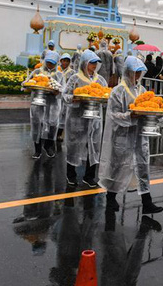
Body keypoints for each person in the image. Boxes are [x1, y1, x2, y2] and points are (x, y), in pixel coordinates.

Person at [98, 56, 163, 214]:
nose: (137, 76)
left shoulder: (142, 91)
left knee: (142, 166)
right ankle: (110, 197)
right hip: (122, 135)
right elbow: (113, 114)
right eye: (135, 73)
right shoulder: (118, 91)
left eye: (139, 73)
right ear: (127, 72)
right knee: (118, 166)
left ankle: (147, 202)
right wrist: (129, 116)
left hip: (139, 136)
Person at [63, 50, 108, 187]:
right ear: (84, 63)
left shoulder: (100, 80)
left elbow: (105, 95)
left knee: (93, 146)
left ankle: (89, 176)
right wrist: (74, 99)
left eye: (96, 63)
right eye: (92, 62)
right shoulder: (75, 78)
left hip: (94, 119)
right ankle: (71, 174)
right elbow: (66, 95)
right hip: (77, 119)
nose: (94, 65)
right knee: (74, 145)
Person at [23, 51, 64, 159]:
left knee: (52, 125)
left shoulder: (59, 75)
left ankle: (48, 146)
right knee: (37, 125)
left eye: (52, 63)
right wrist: (29, 86)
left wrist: (57, 92)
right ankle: (37, 149)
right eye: (48, 62)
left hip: (53, 105)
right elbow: (26, 84)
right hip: (38, 104)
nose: (50, 65)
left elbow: (62, 91)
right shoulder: (37, 72)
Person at [57, 53, 75, 142]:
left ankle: (59, 133)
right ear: (61, 61)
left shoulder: (72, 72)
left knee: (64, 114)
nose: (65, 63)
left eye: (67, 61)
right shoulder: (57, 70)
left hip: (65, 96)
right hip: (56, 95)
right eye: (64, 60)